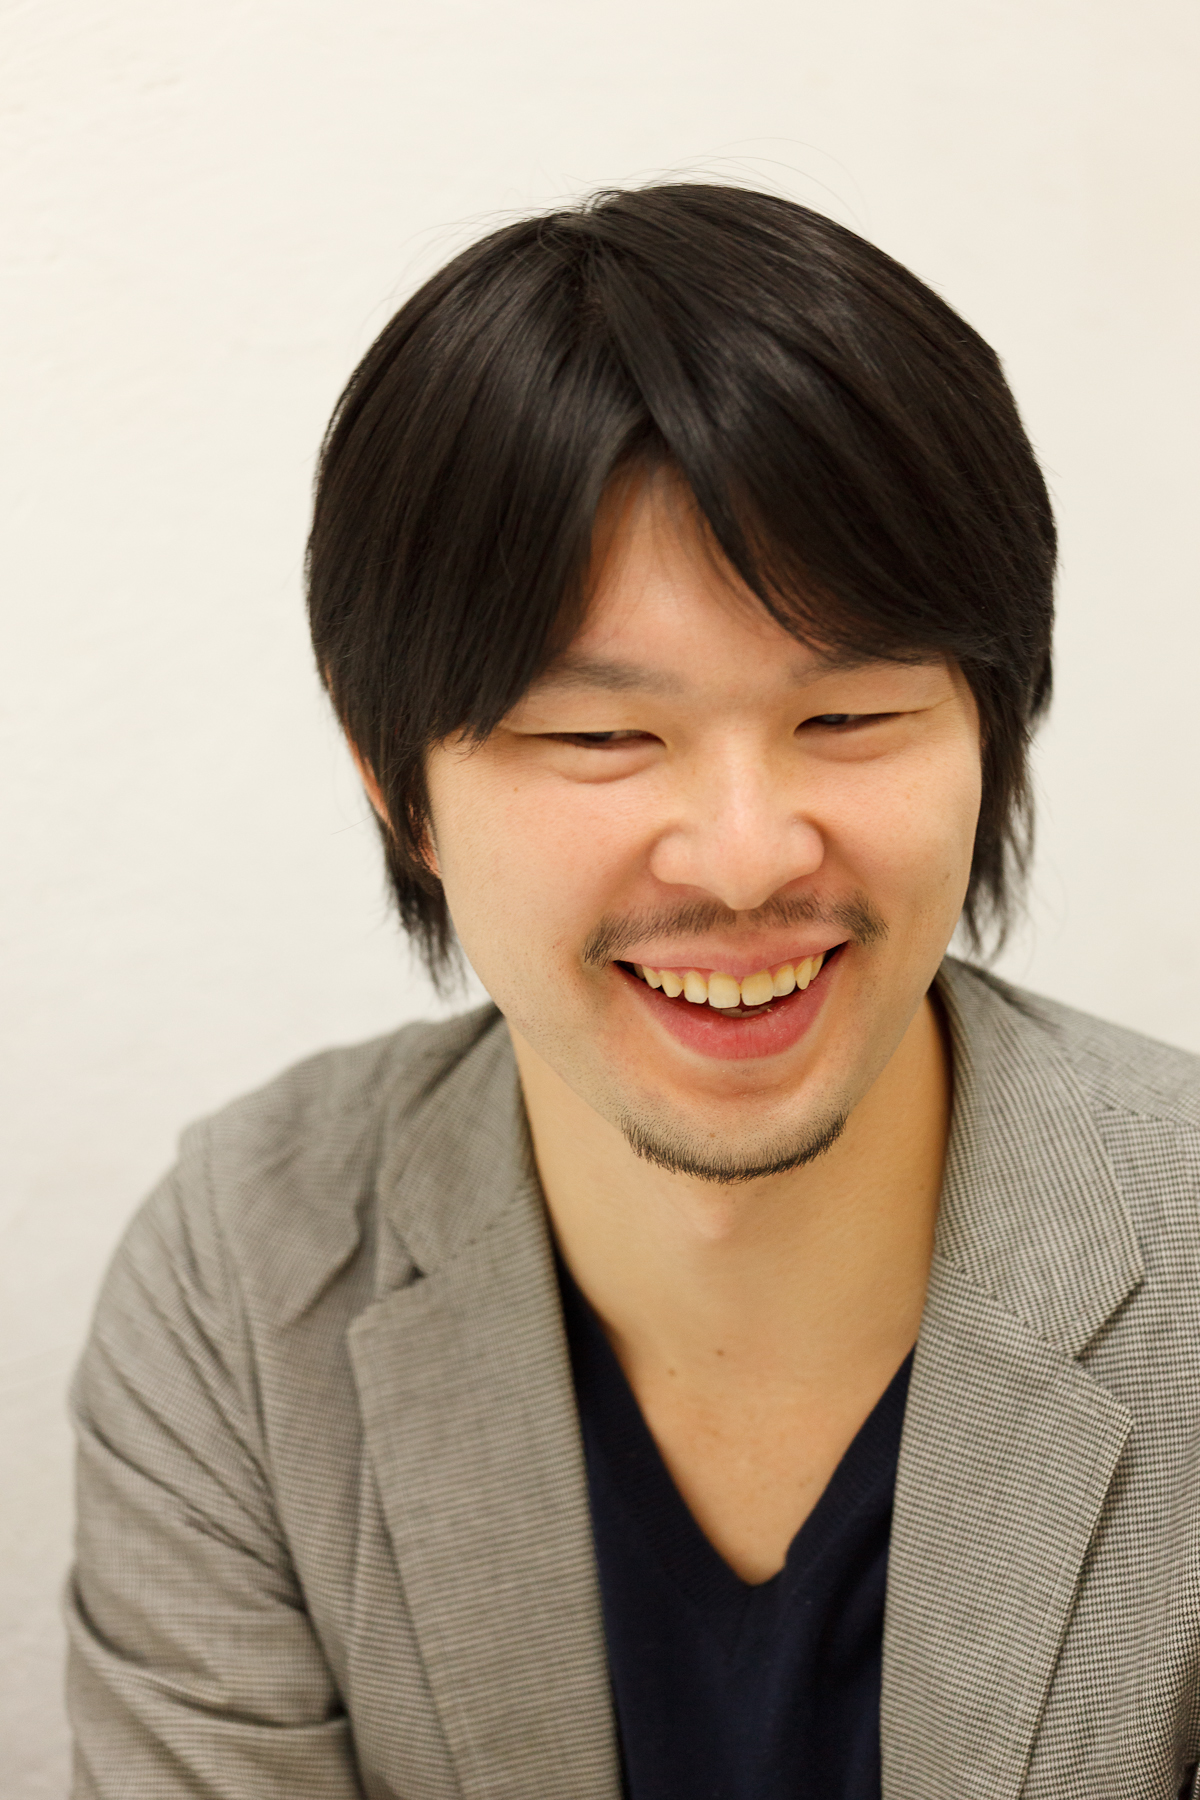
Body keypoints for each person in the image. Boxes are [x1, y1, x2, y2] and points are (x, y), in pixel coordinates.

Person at [66, 185, 1200, 1800]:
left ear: (994, 726)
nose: (743, 857)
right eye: (600, 737)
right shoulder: (247, 1280)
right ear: (393, 776)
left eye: (851, 717)